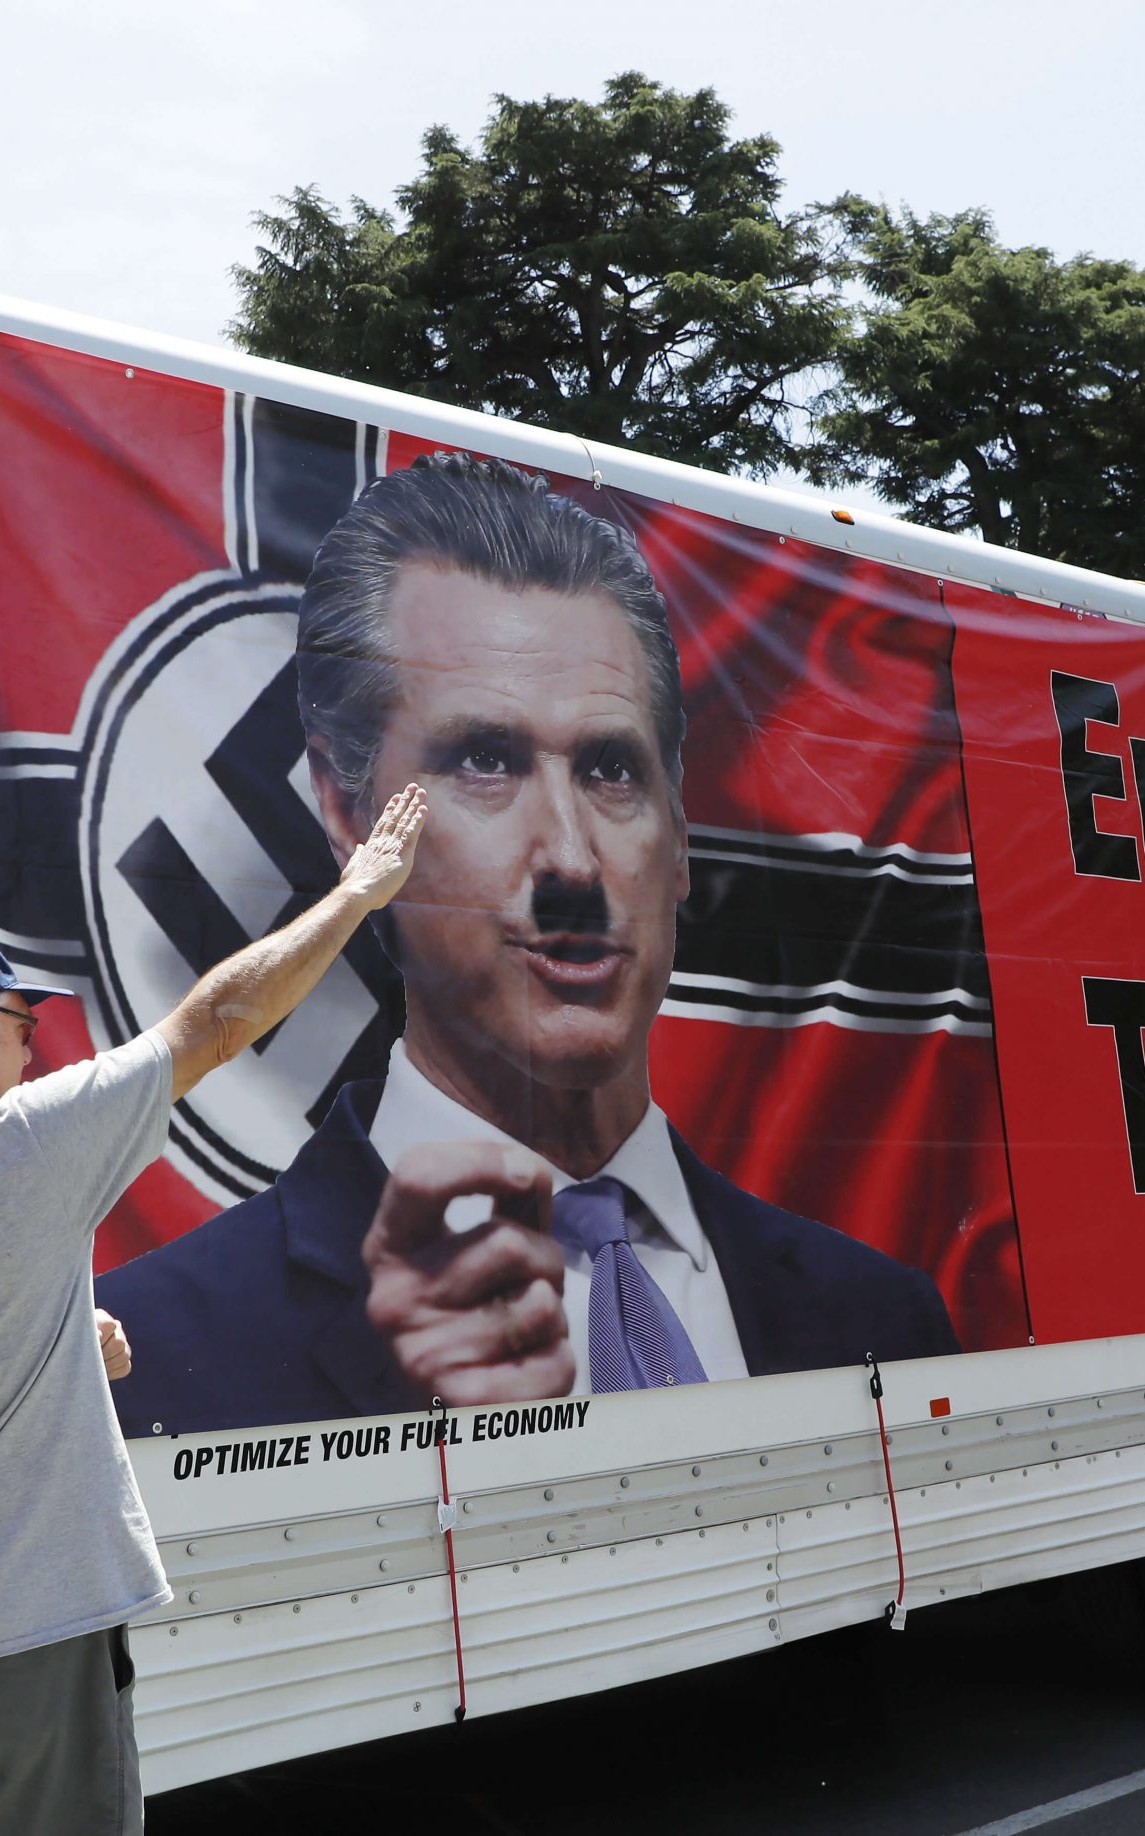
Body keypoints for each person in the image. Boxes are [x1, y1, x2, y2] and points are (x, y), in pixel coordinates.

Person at [104, 453, 957, 1439]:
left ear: (679, 835)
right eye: (486, 760)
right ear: (348, 816)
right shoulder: (153, 1356)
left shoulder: (882, 1317)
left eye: (611, 769)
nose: (571, 860)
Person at [0, 786, 426, 1836]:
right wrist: (356, 895)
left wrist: (62, 1331)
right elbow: (217, 1023)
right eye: (22, 1026)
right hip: (19, 1646)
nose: (32, 1054)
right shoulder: (11, 1152)